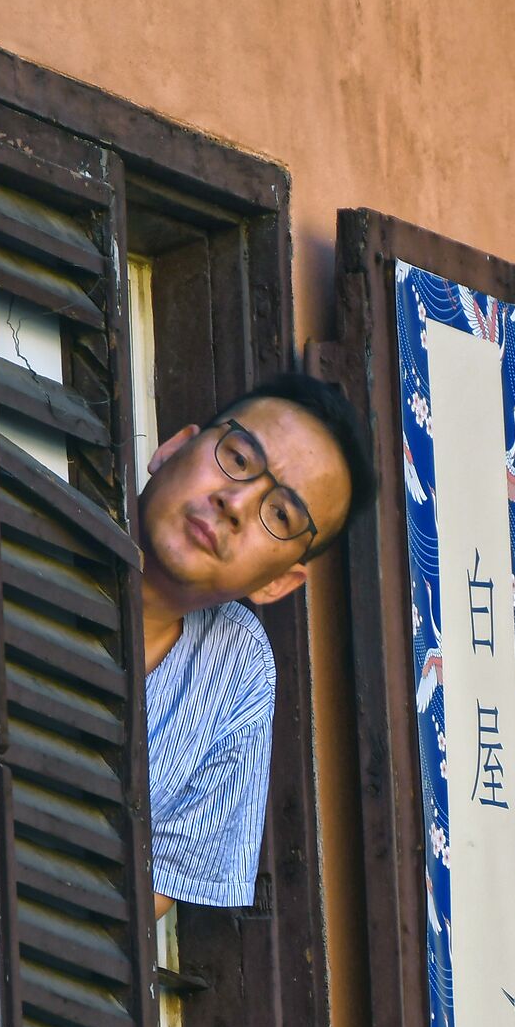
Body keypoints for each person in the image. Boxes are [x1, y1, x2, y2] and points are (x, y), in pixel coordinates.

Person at [137, 373, 376, 920]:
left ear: (278, 584)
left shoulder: (238, 670)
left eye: (282, 515)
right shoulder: (40, 513)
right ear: (173, 446)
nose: (235, 503)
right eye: (239, 459)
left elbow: (145, 894)